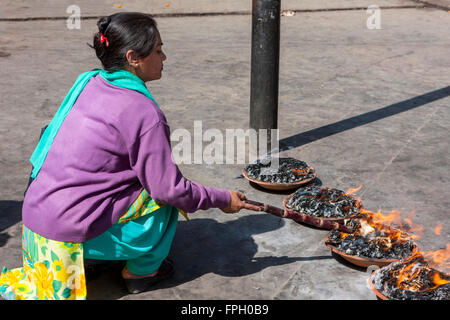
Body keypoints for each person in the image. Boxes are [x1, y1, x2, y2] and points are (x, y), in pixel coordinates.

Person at [0, 12, 260, 300]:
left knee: (143, 180)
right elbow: (169, 189)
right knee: (165, 198)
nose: (165, 57)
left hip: (36, 223)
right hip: (65, 233)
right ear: (133, 57)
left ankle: (91, 253)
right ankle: (141, 273)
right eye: (159, 50)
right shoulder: (144, 112)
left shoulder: (87, 81)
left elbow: (45, 139)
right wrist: (223, 199)